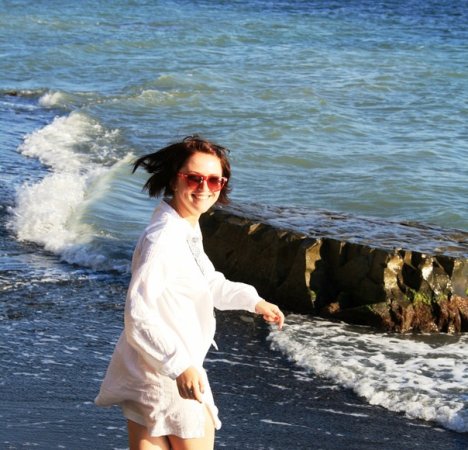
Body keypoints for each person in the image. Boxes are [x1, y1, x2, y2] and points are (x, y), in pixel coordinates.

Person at [95, 135, 285, 450]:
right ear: (174, 179)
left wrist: (253, 301)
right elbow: (138, 314)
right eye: (194, 178)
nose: (205, 187)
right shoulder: (164, 238)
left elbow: (207, 281)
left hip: (147, 368)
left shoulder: (183, 226)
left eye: (215, 180)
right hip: (168, 374)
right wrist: (180, 366)